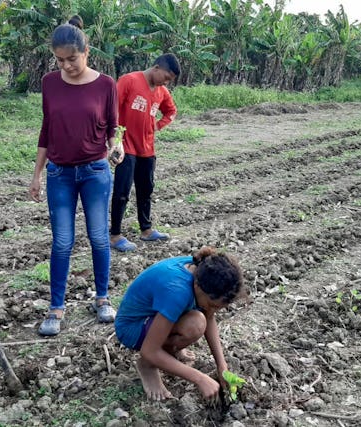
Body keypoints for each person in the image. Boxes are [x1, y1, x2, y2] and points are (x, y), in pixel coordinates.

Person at [29, 16, 123, 336]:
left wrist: (116, 146)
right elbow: (46, 128)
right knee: (62, 242)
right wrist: (36, 175)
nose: (66, 66)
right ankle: (56, 307)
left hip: (96, 171)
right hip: (59, 174)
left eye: (72, 58)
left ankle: (102, 298)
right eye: (60, 60)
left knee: (98, 238)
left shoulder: (106, 84)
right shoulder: (49, 83)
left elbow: (112, 128)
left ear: (87, 52)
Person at [114, 246, 245, 401]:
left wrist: (222, 366)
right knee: (195, 324)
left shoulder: (201, 269)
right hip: (132, 327)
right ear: (197, 286)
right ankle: (147, 365)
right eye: (213, 305)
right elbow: (149, 350)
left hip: (154, 317)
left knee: (200, 317)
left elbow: (209, 316)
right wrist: (200, 378)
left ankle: (169, 353)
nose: (213, 311)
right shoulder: (177, 291)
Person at [109, 53, 180, 252]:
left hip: (147, 148)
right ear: (156, 68)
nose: (166, 83)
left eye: (169, 81)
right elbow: (111, 108)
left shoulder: (162, 92)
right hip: (126, 146)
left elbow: (172, 111)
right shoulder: (129, 81)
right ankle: (115, 235)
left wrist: (158, 126)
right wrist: (114, 139)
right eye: (166, 77)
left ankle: (146, 230)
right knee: (122, 191)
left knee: (146, 189)